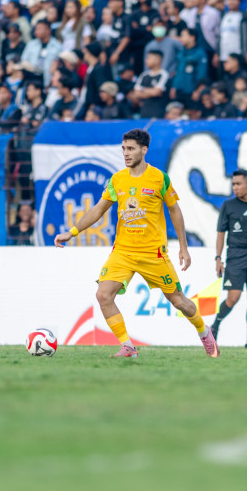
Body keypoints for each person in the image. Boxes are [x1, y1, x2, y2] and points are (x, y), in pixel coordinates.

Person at [53, 129, 218, 359]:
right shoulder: (117, 179)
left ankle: (204, 332)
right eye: (123, 149)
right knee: (103, 295)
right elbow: (98, 210)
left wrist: (183, 247)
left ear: (144, 150)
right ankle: (128, 347)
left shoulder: (159, 178)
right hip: (123, 251)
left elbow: (175, 210)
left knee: (179, 302)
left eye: (130, 149)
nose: (126, 153)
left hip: (153, 253)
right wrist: (71, 232)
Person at [211, 169, 247, 349]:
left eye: (238, 184)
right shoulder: (228, 206)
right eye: (233, 184)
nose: (234, 187)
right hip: (235, 255)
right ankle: (215, 326)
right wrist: (218, 258)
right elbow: (221, 233)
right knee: (233, 297)